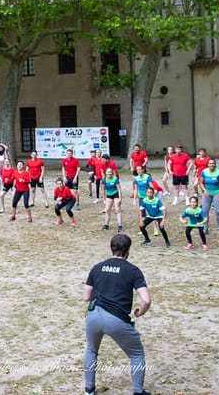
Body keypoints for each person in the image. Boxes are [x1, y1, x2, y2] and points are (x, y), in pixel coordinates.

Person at [83, 234, 151, 395]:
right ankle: (137, 391)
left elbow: (86, 297)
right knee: (136, 354)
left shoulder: (97, 267)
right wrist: (140, 312)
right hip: (116, 319)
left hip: (93, 316)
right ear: (128, 250)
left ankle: (89, 389)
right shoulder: (133, 271)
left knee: (91, 350)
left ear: (111, 248)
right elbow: (146, 300)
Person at [199, 158, 219, 236]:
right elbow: (201, 182)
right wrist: (204, 190)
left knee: (218, 211)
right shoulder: (204, 172)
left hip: (217, 193)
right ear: (208, 164)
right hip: (207, 193)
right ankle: (205, 228)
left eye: (213, 163)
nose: (211, 165)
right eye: (210, 163)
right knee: (205, 211)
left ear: (215, 164)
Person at [102, 167, 123, 232]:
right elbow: (103, 190)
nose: (109, 174)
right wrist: (104, 199)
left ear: (112, 173)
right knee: (107, 210)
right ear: (106, 173)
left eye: (110, 172)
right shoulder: (104, 180)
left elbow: (119, 189)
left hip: (116, 194)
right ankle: (106, 224)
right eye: (108, 172)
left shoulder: (115, 179)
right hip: (109, 195)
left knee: (117, 210)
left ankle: (120, 225)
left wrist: (120, 199)